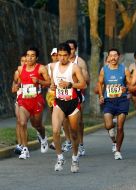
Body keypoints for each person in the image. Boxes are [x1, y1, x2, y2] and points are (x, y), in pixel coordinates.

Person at [50, 43, 86, 172]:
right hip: (59, 102)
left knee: (74, 134)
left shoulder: (74, 67)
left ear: (69, 55)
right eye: (59, 55)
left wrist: (70, 84)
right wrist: (52, 87)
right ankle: (60, 158)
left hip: (73, 103)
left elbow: (83, 85)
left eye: (65, 55)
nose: (62, 58)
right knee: (55, 131)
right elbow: (52, 84)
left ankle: (75, 158)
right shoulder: (53, 67)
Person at [17, 47, 51, 159]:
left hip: (36, 100)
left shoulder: (41, 68)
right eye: (28, 55)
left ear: (36, 57)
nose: (29, 57)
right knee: (22, 123)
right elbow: (19, 82)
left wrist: (39, 81)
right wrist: (17, 85)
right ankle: (25, 149)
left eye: (32, 55)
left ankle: (43, 138)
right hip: (24, 100)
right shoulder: (20, 69)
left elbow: (49, 82)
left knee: (37, 125)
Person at [97, 48, 131, 160]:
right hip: (109, 101)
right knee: (108, 125)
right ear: (108, 58)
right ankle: (113, 139)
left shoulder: (124, 69)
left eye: (115, 55)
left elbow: (130, 84)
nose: (113, 58)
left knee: (120, 128)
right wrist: (101, 96)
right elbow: (100, 83)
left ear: (119, 56)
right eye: (111, 56)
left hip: (122, 100)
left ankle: (118, 150)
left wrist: (126, 89)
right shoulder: (104, 70)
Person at [64, 39, 90, 156]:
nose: (70, 51)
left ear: (75, 49)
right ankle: (69, 140)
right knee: (64, 119)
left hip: (77, 93)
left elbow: (86, 81)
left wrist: (77, 79)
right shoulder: (61, 61)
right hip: (63, 94)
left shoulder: (80, 62)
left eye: (72, 49)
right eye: (68, 49)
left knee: (78, 121)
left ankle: (81, 144)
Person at [12, 53, 27, 155]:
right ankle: (20, 145)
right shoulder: (17, 72)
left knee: (27, 123)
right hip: (19, 99)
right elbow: (13, 88)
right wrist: (17, 85)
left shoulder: (34, 71)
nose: (24, 63)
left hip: (31, 99)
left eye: (26, 61)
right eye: (22, 61)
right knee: (20, 122)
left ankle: (40, 134)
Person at [45, 48, 58, 150]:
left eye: (57, 54)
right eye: (54, 55)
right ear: (51, 56)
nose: (56, 57)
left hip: (64, 95)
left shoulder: (67, 66)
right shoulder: (47, 67)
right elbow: (43, 80)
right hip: (51, 94)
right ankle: (55, 140)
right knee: (54, 116)